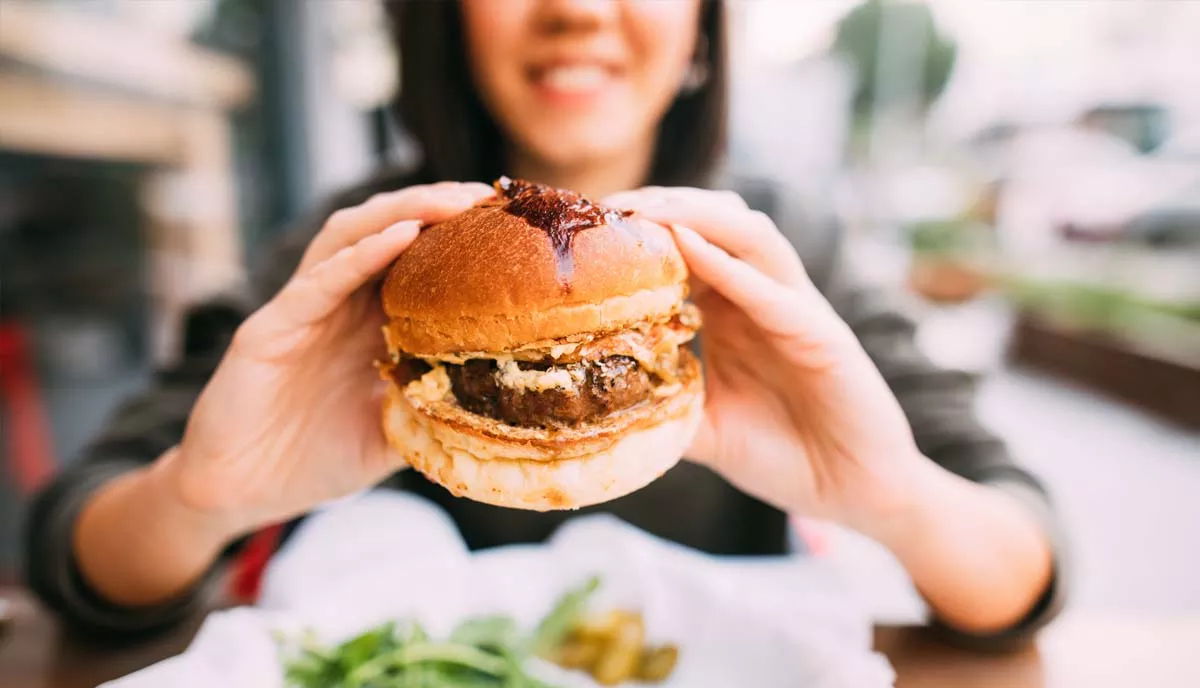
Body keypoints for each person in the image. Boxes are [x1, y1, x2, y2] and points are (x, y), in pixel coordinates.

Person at [25, 0, 1063, 644]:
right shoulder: (355, 257)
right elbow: (73, 549)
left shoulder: (777, 252)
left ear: (702, 22)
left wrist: (892, 498)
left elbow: (1027, 562)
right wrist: (203, 498)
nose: (573, 8)